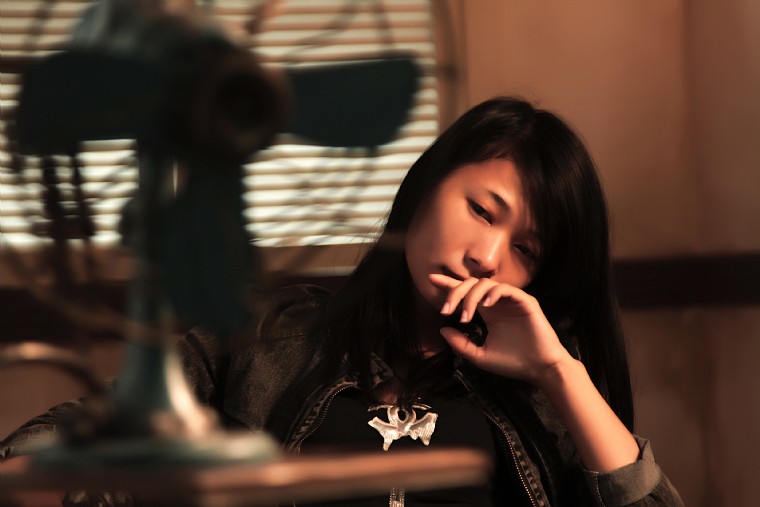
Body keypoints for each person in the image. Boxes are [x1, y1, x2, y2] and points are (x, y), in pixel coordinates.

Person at [1, 96, 684, 506]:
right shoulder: (260, 337)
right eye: (481, 210)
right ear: (426, 185)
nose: (487, 256)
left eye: (526, 250)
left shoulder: (547, 398)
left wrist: (559, 372)